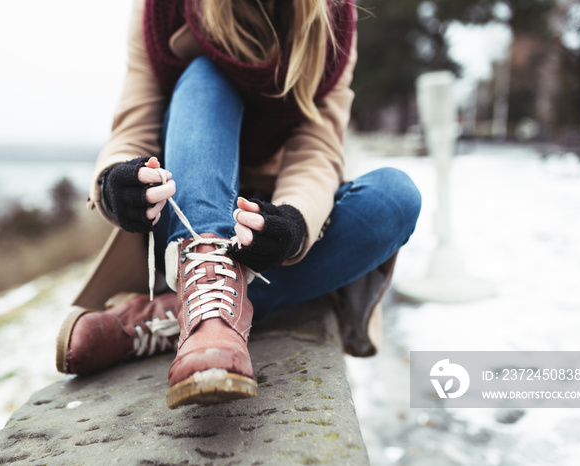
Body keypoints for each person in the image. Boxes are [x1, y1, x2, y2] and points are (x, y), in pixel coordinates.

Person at [55, 0, 421, 409]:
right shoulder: (158, 11)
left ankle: (173, 313)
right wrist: (113, 184)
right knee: (204, 73)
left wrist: (293, 222)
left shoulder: (333, 14)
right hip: (180, 212)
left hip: (261, 217)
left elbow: (317, 145)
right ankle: (209, 312)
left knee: (395, 198)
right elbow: (134, 126)